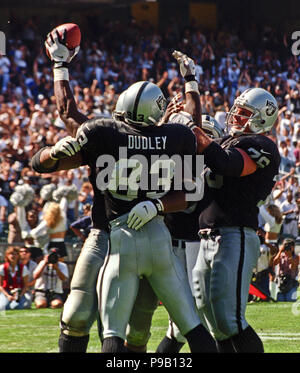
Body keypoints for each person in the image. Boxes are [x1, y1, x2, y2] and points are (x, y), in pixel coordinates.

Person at [32, 54, 217, 354]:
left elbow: (49, 150)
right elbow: (194, 132)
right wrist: (190, 83)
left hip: (132, 236)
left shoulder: (106, 133)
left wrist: (60, 68)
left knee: (133, 329)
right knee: (82, 315)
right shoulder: (173, 137)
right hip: (114, 234)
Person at [191, 87, 281, 352]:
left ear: (262, 118)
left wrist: (202, 141)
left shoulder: (262, 145)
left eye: (244, 114)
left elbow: (230, 165)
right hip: (207, 236)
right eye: (237, 111)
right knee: (212, 320)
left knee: (231, 321)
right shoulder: (225, 143)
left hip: (234, 234)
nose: (236, 117)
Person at [273, 238, 299, 302]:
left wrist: (290, 256)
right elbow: (274, 262)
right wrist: (280, 251)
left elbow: (293, 267)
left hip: (291, 282)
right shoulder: (281, 256)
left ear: (293, 247)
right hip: (281, 281)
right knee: (280, 300)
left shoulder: (296, 257)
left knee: (290, 300)